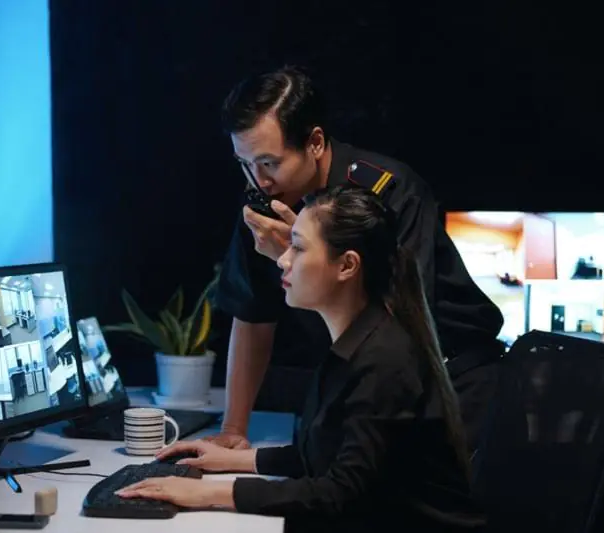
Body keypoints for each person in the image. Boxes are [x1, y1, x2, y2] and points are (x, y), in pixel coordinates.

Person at [116, 185, 486, 532]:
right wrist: (233, 460)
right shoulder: (357, 342)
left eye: (298, 247)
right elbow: (325, 455)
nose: (283, 261)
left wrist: (209, 493)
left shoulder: (385, 359)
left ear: (347, 266)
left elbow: (340, 492)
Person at [209, 65, 504, 452]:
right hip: (358, 381)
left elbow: (399, 327)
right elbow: (252, 314)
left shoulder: (390, 192)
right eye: (245, 164)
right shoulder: (265, 203)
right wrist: (233, 430)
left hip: (451, 379)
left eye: (270, 163)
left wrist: (295, 255)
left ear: (315, 142)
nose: (259, 180)